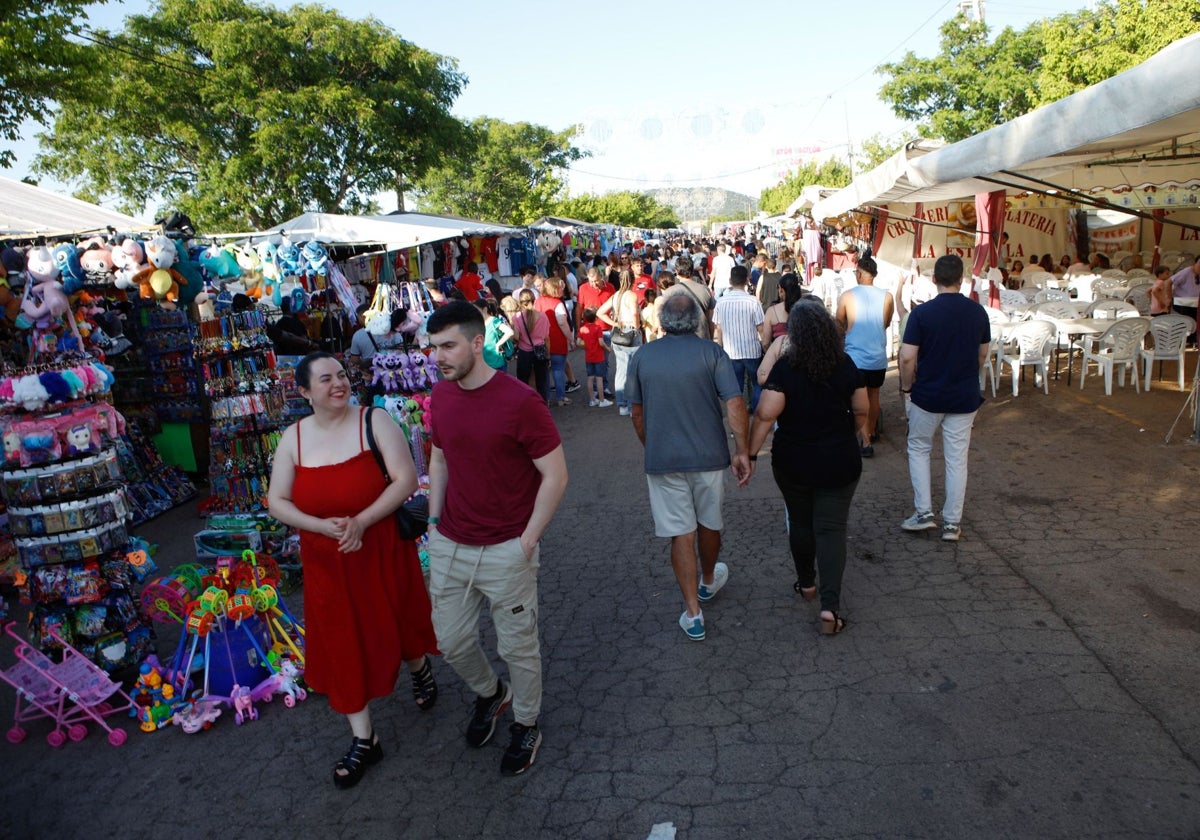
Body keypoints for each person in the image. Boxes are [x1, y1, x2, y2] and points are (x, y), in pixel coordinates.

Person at [266, 352, 438, 789]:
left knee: (394, 621)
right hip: (327, 560)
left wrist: (361, 521)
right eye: (325, 379)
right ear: (304, 392)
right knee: (342, 641)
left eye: (341, 375)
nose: (338, 384)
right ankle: (365, 739)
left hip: (379, 547)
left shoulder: (374, 420)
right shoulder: (293, 439)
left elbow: (404, 479)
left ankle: (418, 667)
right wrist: (323, 526)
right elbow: (277, 501)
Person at [424, 301, 569, 776]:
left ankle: (526, 723)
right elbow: (439, 460)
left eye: (447, 346)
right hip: (450, 541)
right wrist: (432, 521)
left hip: (508, 546)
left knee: (518, 647)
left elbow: (555, 475)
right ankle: (491, 694)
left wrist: (528, 540)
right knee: (451, 641)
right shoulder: (441, 396)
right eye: (433, 348)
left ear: (476, 342)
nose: (438, 357)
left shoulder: (519, 400)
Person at [626, 292, 752, 642]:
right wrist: (741, 449)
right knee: (709, 522)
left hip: (664, 458)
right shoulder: (711, 353)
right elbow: (735, 402)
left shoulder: (643, 356)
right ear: (696, 320)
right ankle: (708, 580)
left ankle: (693, 613)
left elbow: (636, 413)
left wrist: (651, 446)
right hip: (709, 454)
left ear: (663, 322)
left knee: (681, 532)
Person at [748, 301, 868, 635]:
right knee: (831, 530)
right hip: (839, 461)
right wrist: (850, 433)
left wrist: (751, 453)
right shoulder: (846, 365)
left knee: (800, 521)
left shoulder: (786, 369)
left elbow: (765, 414)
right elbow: (861, 411)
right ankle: (830, 607)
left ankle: (806, 583)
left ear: (795, 335)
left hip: (793, 461)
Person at [898, 255, 990, 542]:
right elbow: (983, 354)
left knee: (919, 448)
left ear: (934, 280)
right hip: (964, 396)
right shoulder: (978, 312)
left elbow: (907, 357)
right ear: (961, 280)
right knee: (956, 459)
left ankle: (924, 512)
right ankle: (952, 523)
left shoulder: (921, 314)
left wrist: (906, 387)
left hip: (927, 395)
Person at [836, 257, 894, 457]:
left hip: (855, 358)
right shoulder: (887, 297)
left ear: (859, 273)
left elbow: (839, 323)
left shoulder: (847, 296)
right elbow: (885, 323)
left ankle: (866, 442)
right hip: (877, 355)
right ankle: (870, 431)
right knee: (874, 395)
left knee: (856, 398)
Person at [712, 264, 765, 412]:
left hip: (731, 352)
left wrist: (721, 347)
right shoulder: (753, 301)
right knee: (757, 384)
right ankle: (756, 412)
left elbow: (719, 328)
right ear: (747, 280)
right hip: (752, 351)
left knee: (736, 388)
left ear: (730, 281)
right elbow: (760, 328)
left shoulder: (721, 302)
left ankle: (739, 415)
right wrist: (765, 346)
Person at [597, 268, 642, 416]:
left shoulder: (616, 295)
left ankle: (622, 405)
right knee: (632, 371)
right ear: (632, 280)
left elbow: (600, 312)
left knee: (621, 370)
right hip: (630, 334)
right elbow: (635, 313)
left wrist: (614, 324)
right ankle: (630, 406)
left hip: (617, 336)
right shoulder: (632, 295)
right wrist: (636, 328)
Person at [535, 276, 574, 406]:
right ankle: (561, 398)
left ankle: (545, 398)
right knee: (558, 369)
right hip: (557, 340)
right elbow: (562, 323)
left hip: (541, 341)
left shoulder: (538, 301)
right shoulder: (557, 304)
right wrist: (571, 339)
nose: (563, 289)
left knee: (545, 371)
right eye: (560, 287)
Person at [511, 290, 550, 400]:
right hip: (540, 351)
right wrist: (548, 355)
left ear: (520, 302)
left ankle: (525, 405)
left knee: (523, 381)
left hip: (524, 353)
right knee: (541, 382)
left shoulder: (517, 317)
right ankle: (543, 405)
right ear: (534, 299)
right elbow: (547, 338)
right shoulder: (543, 316)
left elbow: (516, 338)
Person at [576, 308, 612, 407]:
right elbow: (601, 342)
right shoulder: (597, 328)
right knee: (599, 378)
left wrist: (586, 347)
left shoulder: (582, 329)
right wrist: (608, 348)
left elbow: (578, 342)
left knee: (590, 378)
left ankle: (592, 399)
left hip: (589, 356)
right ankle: (602, 400)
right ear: (596, 318)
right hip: (598, 356)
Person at [473, 298, 515, 371]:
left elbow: (510, 332)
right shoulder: (479, 323)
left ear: (485, 309)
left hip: (497, 362)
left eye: (477, 310)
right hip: (485, 362)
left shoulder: (494, 321)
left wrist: (498, 344)